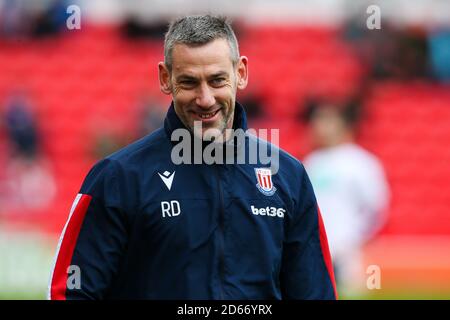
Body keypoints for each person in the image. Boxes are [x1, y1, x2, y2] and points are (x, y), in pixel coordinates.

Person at [48, 15, 337, 300]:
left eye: (217, 80)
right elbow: (70, 293)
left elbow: (315, 293)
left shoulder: (288, 176)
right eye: (189, 82)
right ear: (165, 78)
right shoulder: (118, 178)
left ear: (241, 73)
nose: (205, 99)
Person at [303, 100, 390, 296]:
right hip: (316, 245)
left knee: (351, 292)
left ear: (343, 125)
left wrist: (357, 237)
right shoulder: (312, 161)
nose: (320, 127)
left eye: (327, 121)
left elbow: (375, 205)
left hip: (347, 248)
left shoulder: (360, 162)